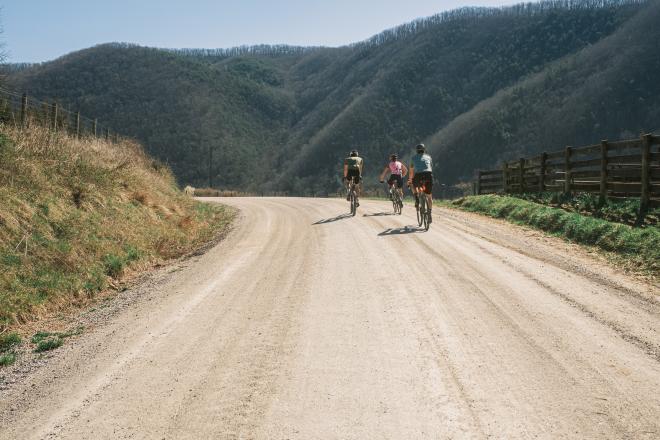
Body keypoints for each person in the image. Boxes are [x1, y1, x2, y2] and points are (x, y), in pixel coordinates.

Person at [408, 143, 433, 221]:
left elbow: (411, 171)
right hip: (429, 175)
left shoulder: (413, 158)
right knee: (429, 196)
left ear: (416, 151)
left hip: (418, 175)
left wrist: (410, 180)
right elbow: (430, 167)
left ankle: (416, 198)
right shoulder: (429, 157)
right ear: (424, 150)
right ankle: (429, 213)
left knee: (412, 184)